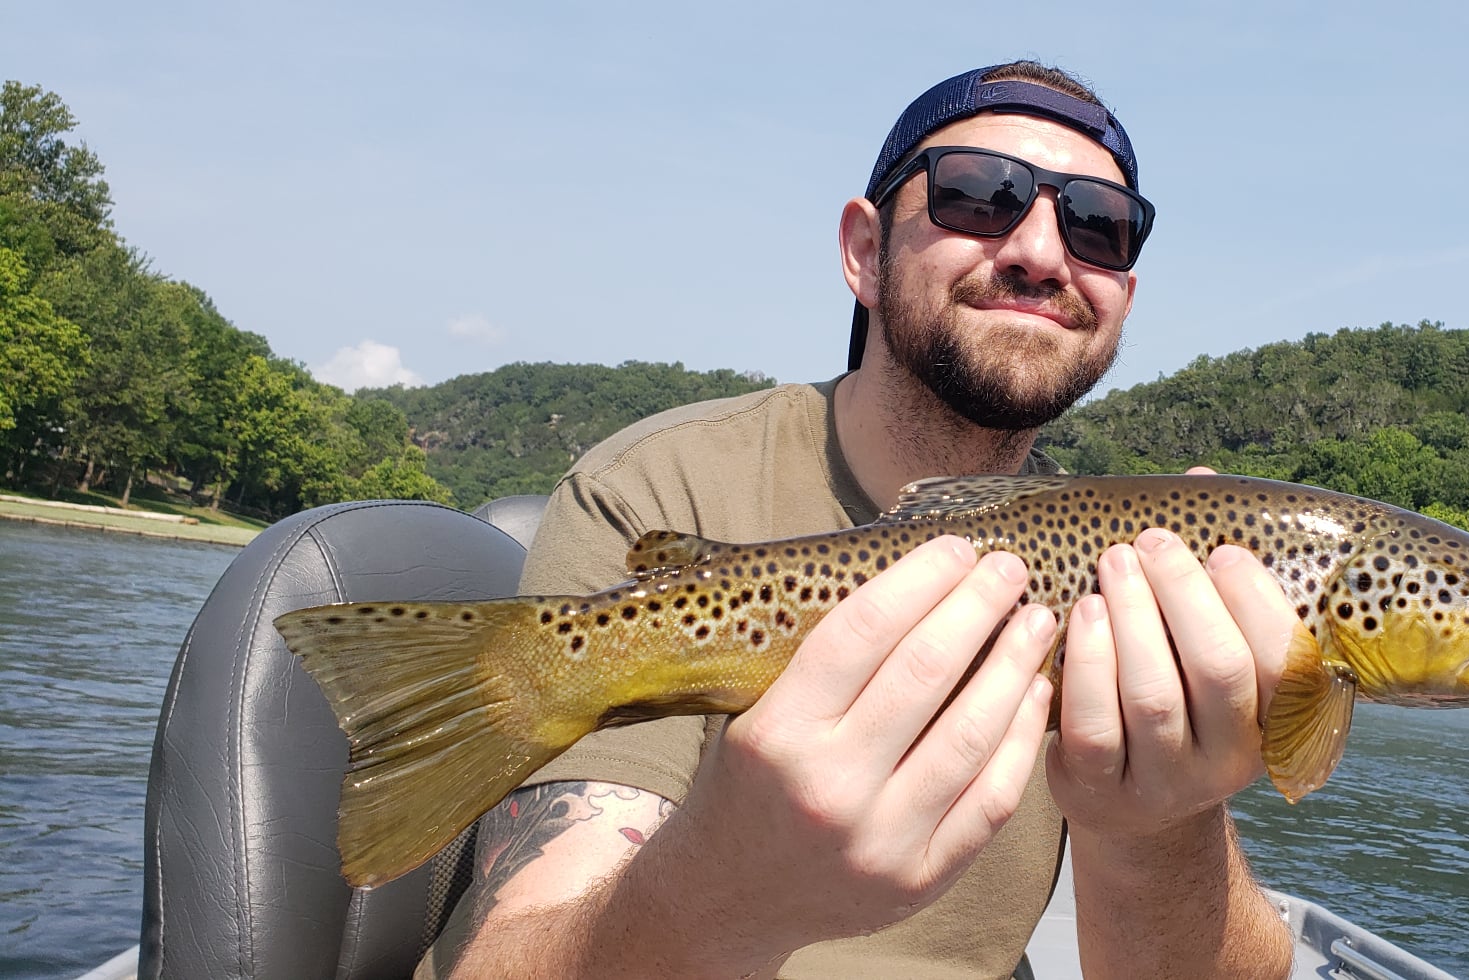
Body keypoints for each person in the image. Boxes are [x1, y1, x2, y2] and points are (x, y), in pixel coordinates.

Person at [419, 61, 1298, 979]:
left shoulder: (1134, 576)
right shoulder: (659, 485)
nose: (1043, 251)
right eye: (978, 193)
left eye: (1099, 226)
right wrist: (731, 881)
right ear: (863, 252)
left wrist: (1163, 820)